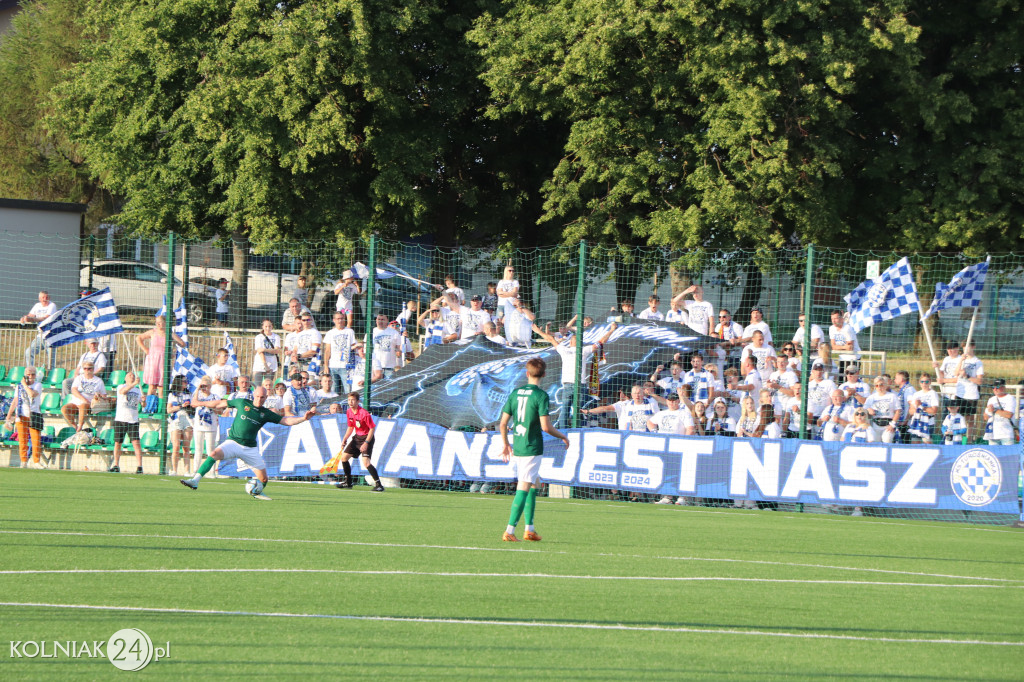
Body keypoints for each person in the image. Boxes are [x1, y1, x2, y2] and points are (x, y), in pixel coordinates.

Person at [181, 385, 317, 498]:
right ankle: (195, 481)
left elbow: (285, 421)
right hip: (233, 443)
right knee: (214, 453)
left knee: (264, 479)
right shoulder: (242, 402)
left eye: (262, 397)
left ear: (265, 398)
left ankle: (256, 491)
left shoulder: (266, 413)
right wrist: (199, 403)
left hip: (250, 449)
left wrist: (304, 418)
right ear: (254, 396)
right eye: (257, 396)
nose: (259, 399)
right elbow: (219, 403)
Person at [499, 357, 569, 541]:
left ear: (526, 373)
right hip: (532, 446)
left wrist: (506, 443)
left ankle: (529, 529)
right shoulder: (541, 396)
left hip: (519, 445)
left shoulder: (515, 393)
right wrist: (562, 436)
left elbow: (503, 423)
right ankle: (510, 531)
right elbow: (546, 427)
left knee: (533, 484)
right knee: (524, 486)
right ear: (544, 374)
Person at [535, 322, 617, 429]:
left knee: (565, 409)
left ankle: (564, 431)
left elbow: (550, 339)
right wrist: (611, 330)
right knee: (579, 410)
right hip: (580, 385)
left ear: (570, 342)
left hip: (568, 385)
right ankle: (577, 430)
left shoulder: (565, 350)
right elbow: (601, 342)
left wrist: (537, 331)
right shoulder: (583, 350)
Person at [334, 391, 386, 492]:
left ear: (358, 401)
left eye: (353, 400)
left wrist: (366, 443)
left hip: (367, 438)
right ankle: (348, 482)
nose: (350, 402)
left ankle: (379, 485)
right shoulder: (349, 411)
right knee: (344, 458)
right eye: (349, 400)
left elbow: (372, 429)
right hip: (357, 437)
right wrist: (345, 438)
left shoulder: (364, 414)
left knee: (366, 463)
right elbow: (350, 427)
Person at [934, 340, 984, 441]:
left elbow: (980, 381)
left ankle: (969, 440)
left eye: (968, 347)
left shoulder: (977, 362)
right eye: (964, 347)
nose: (966, 349)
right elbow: (956, 373)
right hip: (960, 393)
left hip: (971, 394)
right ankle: (954, 438)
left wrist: (967, 376)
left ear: (973, 347)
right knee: (955, 416)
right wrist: (961, 361)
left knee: (969, 419)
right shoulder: (961, 359)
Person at [137, 315, 186, 398]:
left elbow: (182, 344)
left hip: (163, 361)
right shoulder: (153, 332)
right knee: (152, 385)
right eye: (157, 323)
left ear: (165, 323)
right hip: (152, 361)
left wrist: (173, 352)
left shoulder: (169, 333)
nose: (158, 324)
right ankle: (149, 405)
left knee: (161, 386)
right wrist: (145, 349)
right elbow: (139, 338)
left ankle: (161, 406)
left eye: (160, 322)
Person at [4, 366, 43, 468]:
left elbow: (32, 394)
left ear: (35, 376)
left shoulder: (37, 385)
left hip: (34, 415)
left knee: (36, 440)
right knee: (22, 440)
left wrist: (25, 385)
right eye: (28, 374)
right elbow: (15, 400)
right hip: (21, 415)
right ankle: (23, 461)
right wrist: (8, 416)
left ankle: (36, 461)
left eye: (33, 374)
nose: (30, 376)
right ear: (25, 375)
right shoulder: (19, 386)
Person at [109, 371, 144, 474]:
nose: (132, 376)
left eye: (133, 375)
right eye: (129, 375)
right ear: (125, 378)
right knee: (118, 443)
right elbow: (123, 392)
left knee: (136, 443)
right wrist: (133, 384)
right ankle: (116, 464)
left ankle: (139, 466)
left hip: (133, 419)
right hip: (121, 419)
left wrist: (144, 400)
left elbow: (143, 405)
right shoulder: (121, 386)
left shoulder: (138, 390)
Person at [583, 385, 659, 431]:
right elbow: (628, 424)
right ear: (631, 395)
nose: (637, 395)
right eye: (635, 393)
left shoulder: (651, 402)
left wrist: (589, 411)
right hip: (631, 434)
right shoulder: (627, 405)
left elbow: (604, 408)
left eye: (639, 393)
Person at [61, 362, 110, 431]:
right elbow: (74, 390)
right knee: (64, 408)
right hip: (76, 402)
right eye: (85, 369)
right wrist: (83, 399)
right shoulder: (79, 378)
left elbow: (104, 395)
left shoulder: (98, 381)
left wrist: (99, 396)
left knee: (83, 406)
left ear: (93, 369)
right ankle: (74, 424)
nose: (87, 370)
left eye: (89, 369)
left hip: (89, 403)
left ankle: (80, 426)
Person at [21, 291, 57, 371]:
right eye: (43, 297)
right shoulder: (37, 306)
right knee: (29, 352)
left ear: (49, 298)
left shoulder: (52, 305)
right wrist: (24, 318)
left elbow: (46, 318)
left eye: (47, 297)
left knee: (51, 358)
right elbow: (30, 315)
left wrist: (33, 319)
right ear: (39, 298)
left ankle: (51, 374)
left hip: (50, 336)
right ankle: (30, 371)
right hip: (40, 336)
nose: (45, 299)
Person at [322, 311, 357, 394]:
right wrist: (326, 366)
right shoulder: (330, 333)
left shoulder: (350, 331)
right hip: (333, 365)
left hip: (346, 366)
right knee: (334, 391)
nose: (340, 321)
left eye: (342, 318)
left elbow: (354, 347)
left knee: (347, 390)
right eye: (338, 319)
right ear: (334, 320)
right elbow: (327, 351)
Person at [167, 375, 193, 475]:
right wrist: (181, 406)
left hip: (187, 420)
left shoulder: (189, 394)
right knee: (176, 446)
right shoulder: (172, 395)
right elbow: (169, 410)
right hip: (176, 420)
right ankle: (174, 470)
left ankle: (187, 471)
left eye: (186, 381)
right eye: (184, 381)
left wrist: (189, 407)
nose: (186, 383)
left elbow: (193, 408)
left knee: (186, 447)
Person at [191, 378, 219, 466]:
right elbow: (193, 403)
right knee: (198, 449)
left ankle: (212, 471)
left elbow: (220, 411)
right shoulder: (198, 396)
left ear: (210, 386)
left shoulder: (215, 397)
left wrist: (211, 407)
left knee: (210, 450)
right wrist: (198, 389)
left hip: (211, 426)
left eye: (205, 386)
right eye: (202, 386)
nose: (204, 388)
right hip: (199, 426)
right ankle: (196, 470)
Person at [864, 376, 899, 443]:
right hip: (875, 424)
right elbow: (864, 408)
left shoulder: (892, 396)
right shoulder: (871, 397)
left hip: (888, 424)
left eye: (881, 385)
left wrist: (892, 425)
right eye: (877, 385)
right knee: (875, 444)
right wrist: (869, 410)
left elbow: (898, 411)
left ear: (886, 385)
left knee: (887, 440)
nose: (879, 387)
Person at [907, 374, 940, 444]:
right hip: (917, 422)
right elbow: (911, 411)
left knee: (927, 445)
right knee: (915, 444)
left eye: (926, 382)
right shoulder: (916, 394)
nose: (924, 384)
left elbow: (934, 411)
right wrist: (916, 408)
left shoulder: (933, 393)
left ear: (930, 382)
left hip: (928, 422)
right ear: (919, 383)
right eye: (922, 382)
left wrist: (921, 406)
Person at [368, 314, 402, 381]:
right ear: (376, 320)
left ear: (387, 321)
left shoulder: (394, 333)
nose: (380, 321)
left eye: (383, 319)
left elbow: (399, 347)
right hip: (374, 366)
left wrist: (399, 352)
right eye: (379, 319)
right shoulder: (371, 332)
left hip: (388, 366)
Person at [983, 379, 1018, 446]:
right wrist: (988, 411)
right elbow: (985, 417)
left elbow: (1009, 415)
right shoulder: (991, 399)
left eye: (997, 387)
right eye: (993, 387)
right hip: (992, 434)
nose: (995, 389)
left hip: (1006, 434)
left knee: (1008, 455)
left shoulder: (1010, 398)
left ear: (1004, 387)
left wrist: (995, 410)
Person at [252, 319, 282, 386]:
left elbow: (276, 351)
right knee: (258, 386)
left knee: (268, 385)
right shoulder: (258, 337)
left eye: (269, 326)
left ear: (272, 327)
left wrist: (265, 349)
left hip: (272, 364)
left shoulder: (276, 337)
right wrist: (265, 365)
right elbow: (260, 351)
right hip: (260, 364)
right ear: (263, 327)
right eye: (266, 326)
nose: (268, 328)